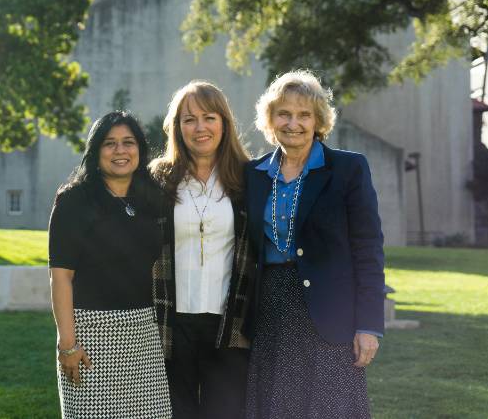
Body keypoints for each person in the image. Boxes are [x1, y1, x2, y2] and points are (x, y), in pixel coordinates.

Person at [244, 70, 385, 418]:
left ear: (318, 119)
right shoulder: (253, 174)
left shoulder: (348, 169)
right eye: (284, 114)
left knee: (329, 408)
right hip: (271, 312)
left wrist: (368, 325)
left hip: (331, 315)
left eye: (304, 114)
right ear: (270, 119)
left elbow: (368, 250)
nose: (294, 123)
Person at [49, 111, 172, 419]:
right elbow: (60, 278)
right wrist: (67, 345)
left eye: (128, 142)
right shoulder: (74, 201)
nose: (120, 151)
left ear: (140, 150)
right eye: (110, 143)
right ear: (96, 151)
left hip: (143, 333)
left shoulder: (151, 199)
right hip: (89, 336)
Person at [150, 80, 255, 418]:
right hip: (169, 322)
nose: (200, 128)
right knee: (175, 412)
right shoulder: (157, 179)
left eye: (209, 117)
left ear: (224, 122)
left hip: (230, 323)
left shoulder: (248, 178)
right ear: (177, 128)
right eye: (189, 119)